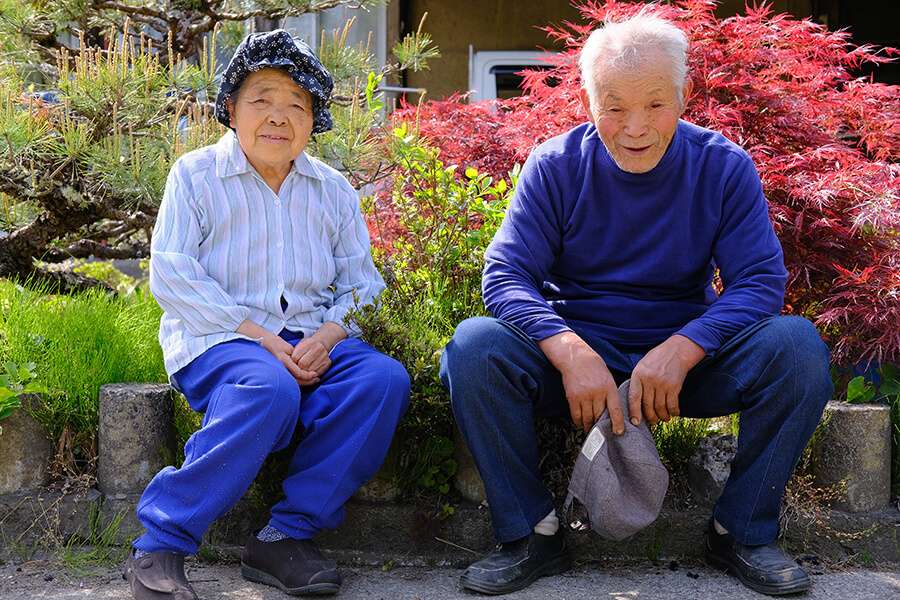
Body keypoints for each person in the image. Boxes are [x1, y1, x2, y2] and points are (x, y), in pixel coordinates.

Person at [439, 13, 832, 597]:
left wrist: (685, 346)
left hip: (681, 367)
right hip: (575, 366)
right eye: (615, 107)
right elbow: (506, 275)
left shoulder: (722, 167)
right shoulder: (556, 166)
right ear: (588, 100)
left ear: (684, 95)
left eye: (655, 104)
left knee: (798, 348)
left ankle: (742, 530)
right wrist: (568, 350)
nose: (636, 126)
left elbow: (759, 283)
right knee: (473, 349)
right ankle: (531, 533)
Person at [124, 30, 410, 600]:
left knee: (382, 380)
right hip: (221, 338)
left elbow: (364, 285)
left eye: (296, 105)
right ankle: (161, 543)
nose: (278, 117)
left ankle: (286, 536)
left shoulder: (332, 190)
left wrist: (328, 336)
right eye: (261, 100)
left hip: (310, 337)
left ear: (314, 120)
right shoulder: (195, 174)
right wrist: (260, 337)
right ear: (231, 110)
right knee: (268, 387)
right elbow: (172, 271)